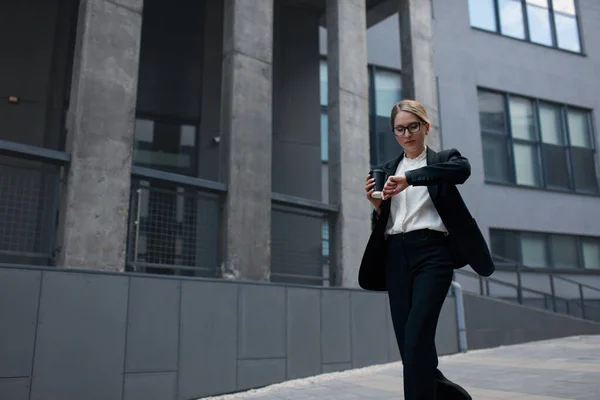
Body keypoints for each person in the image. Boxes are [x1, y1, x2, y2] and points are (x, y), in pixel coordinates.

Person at [359, 99, 495, 400]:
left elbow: (462, 170)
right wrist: (378, 207)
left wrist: (410, 179)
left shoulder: (444, 161)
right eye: (399, 129)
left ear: (425, 127)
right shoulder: (385, 170)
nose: (406, 134)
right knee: (410, 344)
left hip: (433, 254)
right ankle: (451, 397)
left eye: (412, 127)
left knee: (418, 334)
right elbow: (387, 221)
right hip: (396, 254)